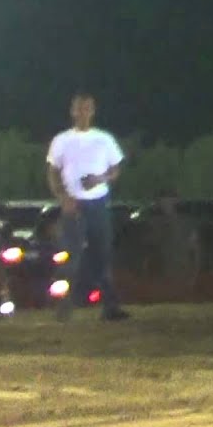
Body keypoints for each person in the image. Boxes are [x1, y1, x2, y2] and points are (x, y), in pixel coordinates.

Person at [46, 92, 130, 322]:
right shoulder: (62, 140)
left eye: (87, 108)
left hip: (98, 204)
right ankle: (63, 306)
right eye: (79, 108)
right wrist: (63, 197)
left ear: (93, 111)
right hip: (74, 205)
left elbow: (115, 169)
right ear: (72, 111)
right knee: (70, 257)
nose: (83, 112)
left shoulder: (104, 139)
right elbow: (53, 172)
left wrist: (99, 178)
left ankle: (110, 306)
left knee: (102, 255)